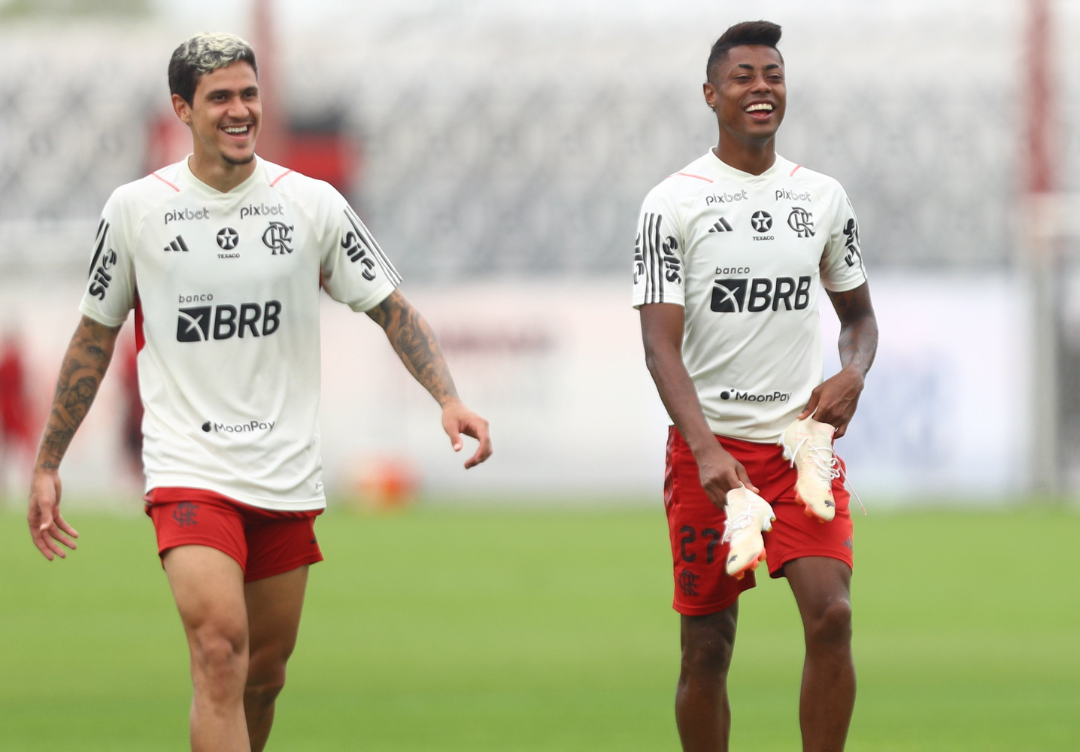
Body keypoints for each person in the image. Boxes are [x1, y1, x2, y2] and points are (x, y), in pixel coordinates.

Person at [27, 32, 492, 752]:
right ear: (183, 108)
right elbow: (93, 338)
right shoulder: (135, 210)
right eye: (221, 97)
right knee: (219, 652)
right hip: (189, 469)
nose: (240, 109)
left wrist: (448, 396)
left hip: (284, 472)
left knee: (264, 677)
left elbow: (392, 308)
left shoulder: (311, 205)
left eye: (249, 94)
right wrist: (49, 460)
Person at [633, 21, 878, 752]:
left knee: (832, 615)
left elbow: (860, 318)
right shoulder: (672, 202)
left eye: (771, 75)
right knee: (707, 648)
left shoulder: (822, 197)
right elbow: (658, 345)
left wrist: (853, 373)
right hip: (710, 458)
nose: (760, 88)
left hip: (798, 453)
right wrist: (705, 449)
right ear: (711, 95)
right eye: (742, 77)